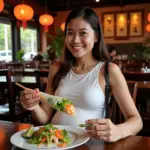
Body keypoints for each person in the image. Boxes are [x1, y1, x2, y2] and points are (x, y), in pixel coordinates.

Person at [20, 7, 142, 142]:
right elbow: (44, 117)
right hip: (55, 142)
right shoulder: (57, 69)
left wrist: (118, 131)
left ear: (96, 36)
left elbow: (136, 121)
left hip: (91, 143)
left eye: (83, 33)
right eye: (70, 33)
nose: (75, 40)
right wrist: (34, 107)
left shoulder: (109, 70)